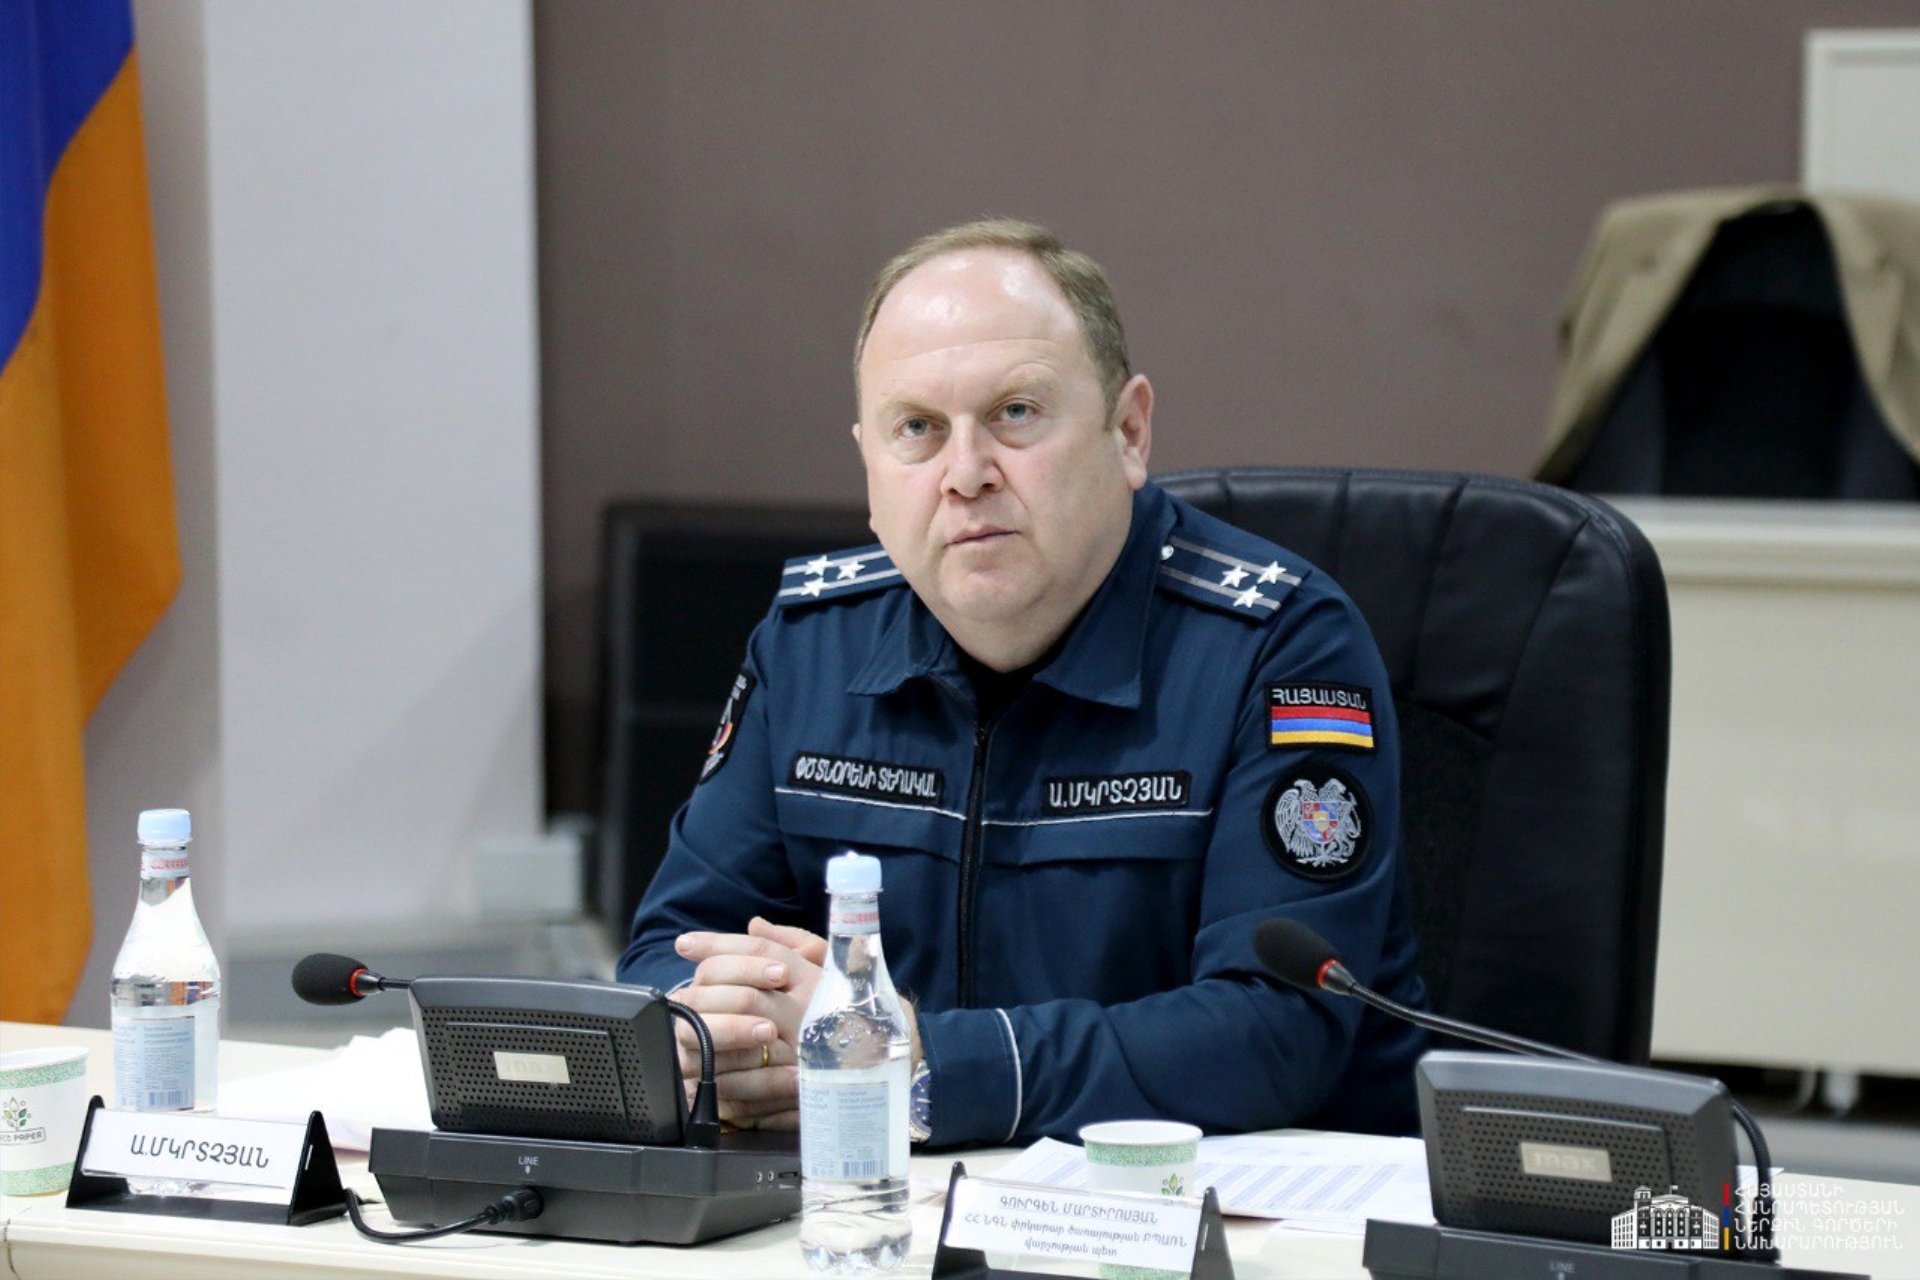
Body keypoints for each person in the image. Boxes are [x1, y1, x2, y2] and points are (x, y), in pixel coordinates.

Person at [618, 219, 1427, 1146]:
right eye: (917, 429)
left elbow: (1277, 1028)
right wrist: (719, 1034)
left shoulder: (1279, 645)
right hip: (887, 1195)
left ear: (1129, 431)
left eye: (1015, 413)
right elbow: (669, 953)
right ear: (869, 465)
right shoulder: (813, 642)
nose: (965, 475)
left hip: (1223, 1208)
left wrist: (924, 1063)